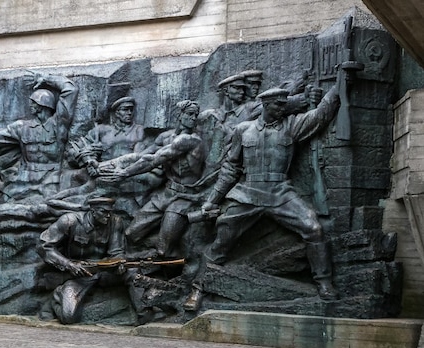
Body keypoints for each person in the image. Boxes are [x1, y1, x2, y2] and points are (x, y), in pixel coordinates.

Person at [183, 86, 341, 311]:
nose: (282, 108)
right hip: (247, 192)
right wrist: (212, 201)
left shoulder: (291, 125)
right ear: (266, 105)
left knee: (314, 228)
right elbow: (230, 169)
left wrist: (337, 87)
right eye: (278, 105)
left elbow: (320, 115)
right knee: (221, 241)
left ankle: (324, 283)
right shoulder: (243, 130)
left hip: (280, 192)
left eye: (284, 105)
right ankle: (197, 288)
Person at [0, 74, 78, 221]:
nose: (30, 105)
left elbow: (71, 89)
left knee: (46, 214)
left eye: (33, 102)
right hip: (23, 180)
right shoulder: (21, 127)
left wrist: (46, 79)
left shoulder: (58, 125)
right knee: (2, 209)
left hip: (51, 181)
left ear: (42, 105)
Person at [99, 100, 205, 258]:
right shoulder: (166, 137)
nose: (194, 118)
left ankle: (167, 257)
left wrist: (125, 173)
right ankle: (162, 250)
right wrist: (106, 165)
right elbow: (141, 156)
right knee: (130, 234)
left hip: (186, 198)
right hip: (167, 193)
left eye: (196, 115)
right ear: (179, 115)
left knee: (163, 248)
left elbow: (153, 160)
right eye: (190, 114)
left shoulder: (190, 140)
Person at [37, 196, 159, 324]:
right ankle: (58, 295)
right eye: (104, 212)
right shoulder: (70, 221)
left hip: (105, 271)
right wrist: (69, 265)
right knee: (68, 317)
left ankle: (144, 315)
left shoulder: (115, 221)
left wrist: (119, 262)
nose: (108, 216)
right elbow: (43, 246)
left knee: (133, 272)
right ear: (93, 211)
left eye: (110, 212)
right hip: (79, 275)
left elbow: (116, 251)